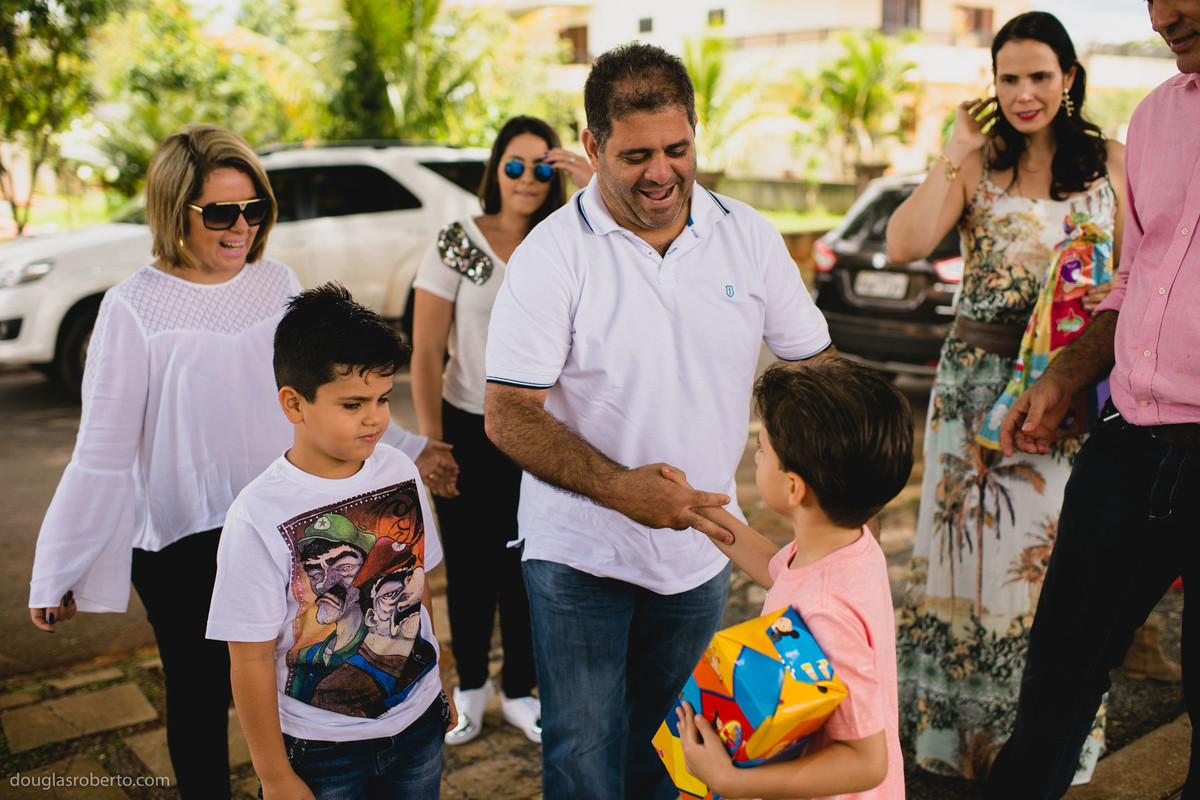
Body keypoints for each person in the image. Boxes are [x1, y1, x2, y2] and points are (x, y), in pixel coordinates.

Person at [26, 124, 453, 799]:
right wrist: (61, 566)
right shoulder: (129, 309)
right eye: (221, 212)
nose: (242, 227)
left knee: (293, 682)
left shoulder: (277, 281)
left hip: (285, 527)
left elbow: (325, 395)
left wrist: (409, 449)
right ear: (173, 212)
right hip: (182, 542)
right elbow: (101, 456)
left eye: (254, 209)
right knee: (198, 699)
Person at [483, 42, 832, 800]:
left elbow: (816, 375)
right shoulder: (551, 257)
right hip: (578, 558)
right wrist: (620, 490)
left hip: (706, 553)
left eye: (678, 148)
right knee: (582, 754)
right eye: (637, 155)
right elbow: (507, 416)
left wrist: (830, 508)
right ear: (592, 148)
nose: (662, 172)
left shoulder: (748, 235)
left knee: (676, 751)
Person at [884, 11, 1124, 780]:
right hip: (973, 394)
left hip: (1067, 396)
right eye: (1009, 78)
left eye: (1039, 76)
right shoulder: (977, 163)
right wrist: (952, 154)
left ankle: (1045, 746)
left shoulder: (1114, 162)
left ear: (1070, 79)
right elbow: (904, 244)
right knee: (964, 562)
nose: (1024, 93)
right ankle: (954, 746)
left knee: (1051, 571)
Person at [986, 1, 1200, 796]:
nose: (1162, 15)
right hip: (1128, 447)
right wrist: (1064, 377)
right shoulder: (1155, 119)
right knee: (1054, 688)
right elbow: (1134, 281)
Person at [206, 283, 455, 800]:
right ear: (294, 404)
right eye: (353, 403)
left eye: (384, 398)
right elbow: (248, 659)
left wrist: (437, 679)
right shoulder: (257, 515)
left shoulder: (399, 469)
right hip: (320, 751)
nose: (376, 417)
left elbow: (415, 586)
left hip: (418, 725)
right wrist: (275, 776)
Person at [409, 115, 592, 746]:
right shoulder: (461, 240)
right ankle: (469, 691)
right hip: (467, 424)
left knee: (528, 559)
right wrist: (432, 443)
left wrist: (592, 183)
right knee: (469, 565)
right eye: (514, 165)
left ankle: (519, 689)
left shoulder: (565, 238)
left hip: (541, 428)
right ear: (495, 170)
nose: (527, 179)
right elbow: (427, 350)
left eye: (543, 167)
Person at [670, 359, 912, 800]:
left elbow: (866, 761)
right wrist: (699, 511)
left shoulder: (826, 611)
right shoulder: (849, 544)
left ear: (795, 488)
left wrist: (729, 782)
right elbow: (776, 571)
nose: (756, 455)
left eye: (762, 449)